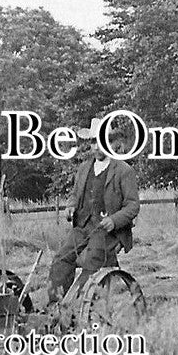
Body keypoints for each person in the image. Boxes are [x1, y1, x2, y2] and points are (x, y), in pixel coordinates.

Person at [45, 119, 140, 305]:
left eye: (101, 142)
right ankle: (54, 305)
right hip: (82, 227)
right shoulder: (83, 169)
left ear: (111, 143)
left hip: (109, 232)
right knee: (61, 259)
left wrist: (114, 220)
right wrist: (71, 206)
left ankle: (74, 307)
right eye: (93, 142)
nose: (96, 147)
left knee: (92, 261)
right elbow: (75, 195)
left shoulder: (123, 171)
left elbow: (133, 206)